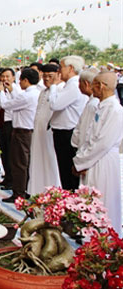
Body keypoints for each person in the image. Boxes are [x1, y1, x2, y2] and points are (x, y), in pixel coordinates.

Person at [73, 72, 123, 236]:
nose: (91, 87)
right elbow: (89, 135)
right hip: (93, 160)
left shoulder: (115, 110)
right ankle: (90, 237)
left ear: (101, 86)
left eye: (94, 84)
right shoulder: (100, 106)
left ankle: (105, 240)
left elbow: (102, 143)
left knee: (103, 200)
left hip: (104, 161)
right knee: (90, 199)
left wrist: (81, 162)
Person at [0, 68, 40, 202]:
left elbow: (6, 104)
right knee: (23, 162)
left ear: (25, 80)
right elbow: (16, 100)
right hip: (27, 131)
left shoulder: (26, 95)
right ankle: (24, 189)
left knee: (18, 164)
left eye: (20, 80)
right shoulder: (33, 93)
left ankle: (19, 193)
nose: (19, 82)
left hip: (22, 132)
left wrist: (1, 92)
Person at [49, 56, 88, 190]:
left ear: (70, 68)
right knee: (64, 170)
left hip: (68, 133)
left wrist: (53, 86)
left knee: (68, 172)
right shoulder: (69, 85)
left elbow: (55, 104)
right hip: (63, 132)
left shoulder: (74, 85)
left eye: (61, 67)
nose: (59, 71)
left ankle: (70, 199)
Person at [27, 64, 63, 196]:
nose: (47, 79)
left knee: (51, 162)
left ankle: (53, 192)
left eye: (50, 76)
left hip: (50, 134)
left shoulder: (60, 90)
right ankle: (37, 191)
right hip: (38, 132)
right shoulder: (42, 91)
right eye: (45, 76)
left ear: (58, 76)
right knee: (37, 160)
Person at [0, 68, 20, 189]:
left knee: (11, 153)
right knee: (4, 152)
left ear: (13, 78)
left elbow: (7, 104)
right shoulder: (1, 89)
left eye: (7, 77)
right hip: (2, 123)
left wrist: (4, 91)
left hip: (11, 123)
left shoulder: (16, 90)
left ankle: (12, 180)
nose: (5, 79)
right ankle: (7, 177)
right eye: (3, 77)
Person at [71, 68, 100, 150]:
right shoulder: (92, 102)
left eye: (80, 82)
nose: (78, 85)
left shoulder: (93, 105)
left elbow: (85, 131)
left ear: (86, 84)